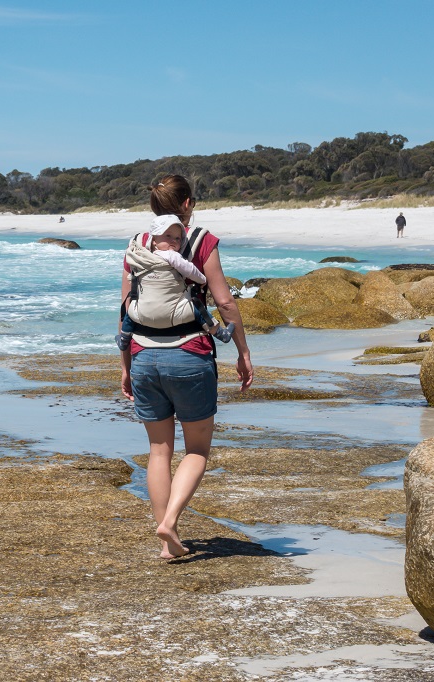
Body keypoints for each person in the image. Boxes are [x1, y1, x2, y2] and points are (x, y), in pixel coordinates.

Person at [119, 174, 253, 559]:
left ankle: (167, 546)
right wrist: (242, 352)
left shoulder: (137, 245)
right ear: (188, 204)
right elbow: (225, 302)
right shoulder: (200, 240)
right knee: (196, 449)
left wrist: (126, 365)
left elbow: (125, 307)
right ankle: (171, 522)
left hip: (144, 355)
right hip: (190, 355)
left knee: (159, 451)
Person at [116, 214, 234, 351]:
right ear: (154, 240)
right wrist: (202, 280)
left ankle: (124, 339)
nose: (173, 241)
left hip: (144, 315)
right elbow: (189, 270)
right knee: (198, 311)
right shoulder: (172, 255)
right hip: (174, 314)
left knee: (131, 312)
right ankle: (219, 333)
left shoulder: (141, 257)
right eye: (168, 236)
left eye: (178, 238)